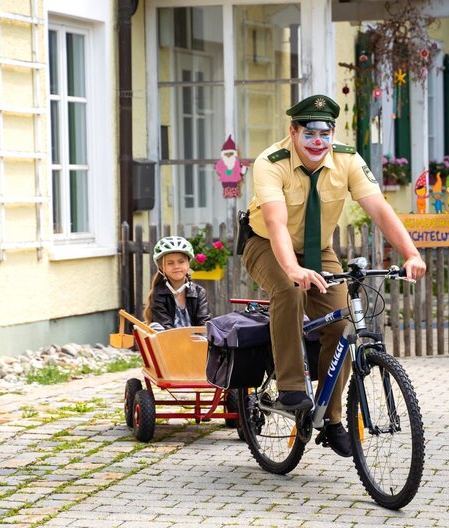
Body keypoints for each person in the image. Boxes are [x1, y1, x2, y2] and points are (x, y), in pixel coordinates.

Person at [241, 94, 426, 457]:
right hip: (264, 242)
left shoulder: (347, 159)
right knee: (290, 290)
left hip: (318, 250)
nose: (317, 142)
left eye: (324, 133)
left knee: (344, 325)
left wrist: (411, 253)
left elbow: (380, 210)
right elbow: (276, 224)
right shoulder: (270, 163)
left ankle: (332, 418)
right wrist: (293, 270)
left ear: (334, 133)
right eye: (309, 132)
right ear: (292, 132)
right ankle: (292, 386)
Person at [143, 236, 211, 331]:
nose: (176, 266)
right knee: (156, 327)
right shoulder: (158, 293)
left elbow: (203, 323)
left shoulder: (199, 292)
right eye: (170, 263)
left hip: (196, 341)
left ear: (188, 264)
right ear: (161, 267)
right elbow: (165, 326)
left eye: (181, 261)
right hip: (169, 342)